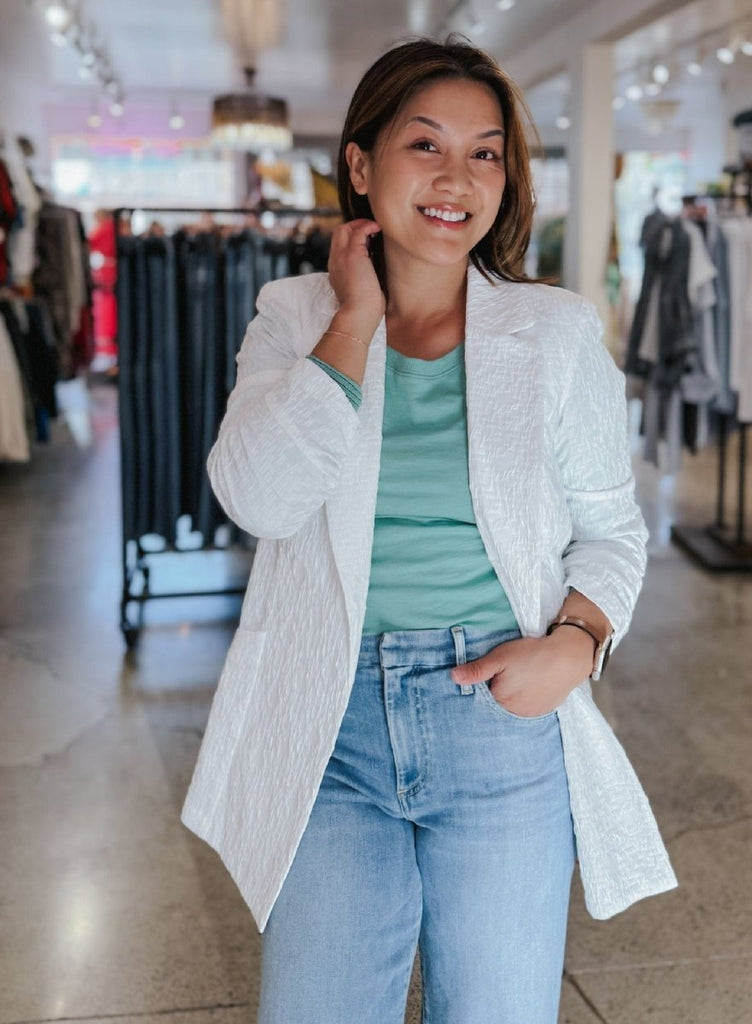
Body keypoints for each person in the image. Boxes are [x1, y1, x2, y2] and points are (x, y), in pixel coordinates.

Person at [182, 36, 677, 1024]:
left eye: (485, 153)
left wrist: (575, 644)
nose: (457, 179)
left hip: (498, 716)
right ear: (360, 165)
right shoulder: (294, 315)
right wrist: (351, 324)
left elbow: (612, 529)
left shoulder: (552, 332)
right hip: (327, 723)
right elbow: (258, 500)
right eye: (425, 145)